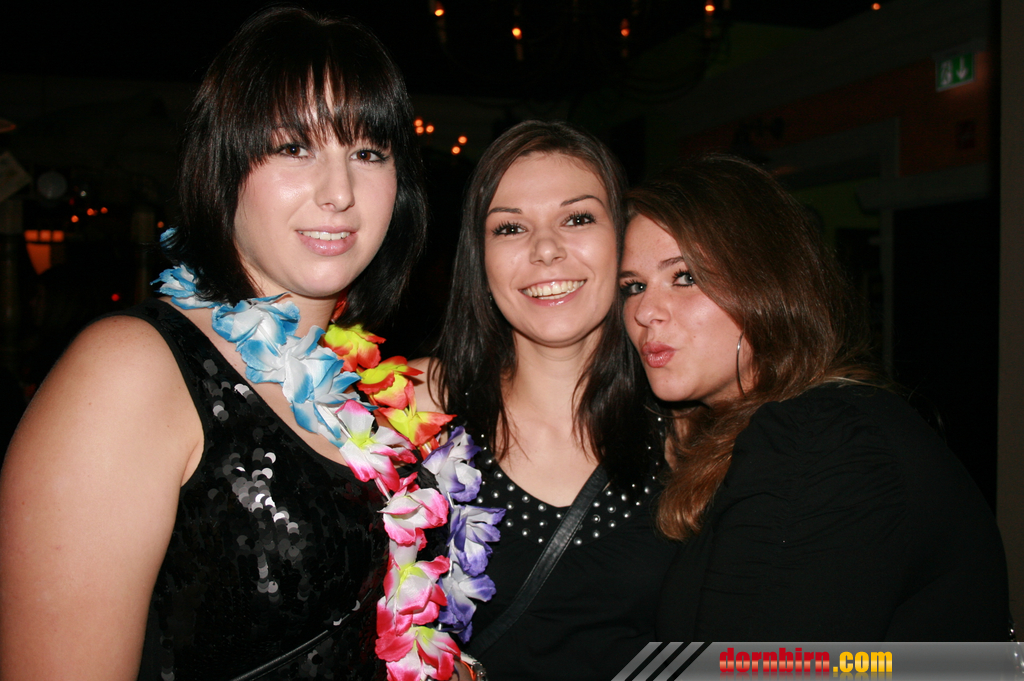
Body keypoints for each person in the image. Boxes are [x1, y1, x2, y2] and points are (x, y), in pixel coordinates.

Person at [0, 8, 433, 679]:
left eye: (368, 153)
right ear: (224, 166)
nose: (340, 192)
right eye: (294, 147)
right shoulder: (129, 371)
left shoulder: (357, 385)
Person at [619, 153, 1009, 641]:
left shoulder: (818, 437)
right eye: (633, 286)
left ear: (766, 284)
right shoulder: (763, 432)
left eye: (685, 277)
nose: (645, 311)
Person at [412, 120, 677, 680]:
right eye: (510, 228)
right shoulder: (417, 409)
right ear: (480, 259)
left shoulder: (690, 431)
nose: (546, 249)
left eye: (577, 219)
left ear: (622, 239)